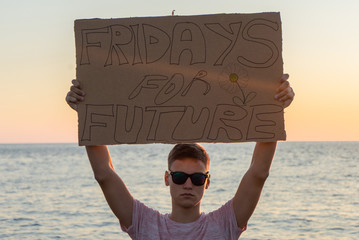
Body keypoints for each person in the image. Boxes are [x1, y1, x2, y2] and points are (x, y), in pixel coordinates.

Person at [66, 74, 294, 239]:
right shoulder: (145, 223)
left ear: (207, 182)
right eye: (178, 177)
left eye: (196, 178)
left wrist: (273, 107)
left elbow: (259, 173)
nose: (187, 184)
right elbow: (104, 174)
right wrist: (87, 110)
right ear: (167, 178)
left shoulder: (225, 223)